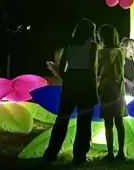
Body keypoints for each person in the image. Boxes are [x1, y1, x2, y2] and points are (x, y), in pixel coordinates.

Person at [43, 19, 99, 166]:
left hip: (70, 81)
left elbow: (61, 68)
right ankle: (79, 157)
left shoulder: (69, 45)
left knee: (62, 119)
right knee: (84, 122)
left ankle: (51, 153)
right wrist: (94, 89)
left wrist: (67, 80)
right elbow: (93, 67)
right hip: (86, 80)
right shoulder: (92, 45)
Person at [97, 24, 127, 161]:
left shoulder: (100, 52)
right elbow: (119, 73)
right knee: (119, 122)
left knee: (108, 123)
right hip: (116, 90)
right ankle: (120, 152)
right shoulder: (119, 52)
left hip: (104, 88)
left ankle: (110, 153)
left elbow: (97, 71)